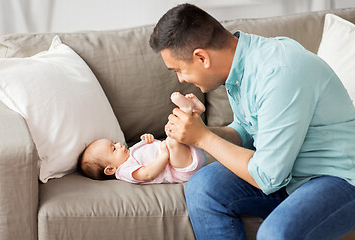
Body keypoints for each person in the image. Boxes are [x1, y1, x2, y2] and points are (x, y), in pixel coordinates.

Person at [149, 3, 355, 240]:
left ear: (201, 57)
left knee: (276, 234)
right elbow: (246, 130)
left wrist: (203, 138)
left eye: (179, 69)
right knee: (202, 187)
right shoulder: (241, 66)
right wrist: (199, 130)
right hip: (292, 173)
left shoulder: (279, 73)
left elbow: (267, 176)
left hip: (339, 177)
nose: (181, 79)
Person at [78, 92, 206, 184]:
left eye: (115, 143)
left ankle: (196, 112)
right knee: (172, 137)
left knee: (175, 134)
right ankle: (187, 110)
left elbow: (150, 152)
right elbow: (147, 174)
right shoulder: (124, 171)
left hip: (186, 155)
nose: (119, 145)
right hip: (183, 169)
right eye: (114, 149)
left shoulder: (130, 153)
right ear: (110, 169)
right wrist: (164, 155)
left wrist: (148, 141)